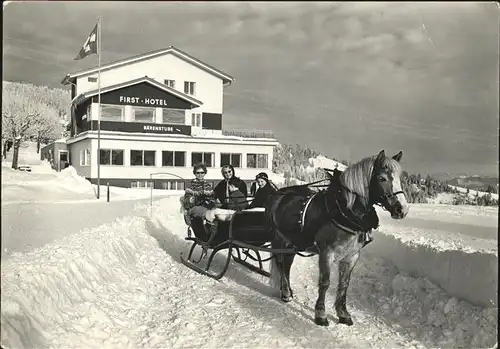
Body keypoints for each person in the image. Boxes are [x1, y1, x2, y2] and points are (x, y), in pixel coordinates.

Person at [181, 163, 218, 232]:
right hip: (194, 208)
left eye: (202, 173)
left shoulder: (208, 185)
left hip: (207, 206)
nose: (200, 175)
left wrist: (211, 199)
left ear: (205, 173)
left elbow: (213, 197)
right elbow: (187, 201)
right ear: (194, 173)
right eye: (198, 173)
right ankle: (210, 230)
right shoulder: (191, 185)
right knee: (208, 213)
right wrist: (196, 196)